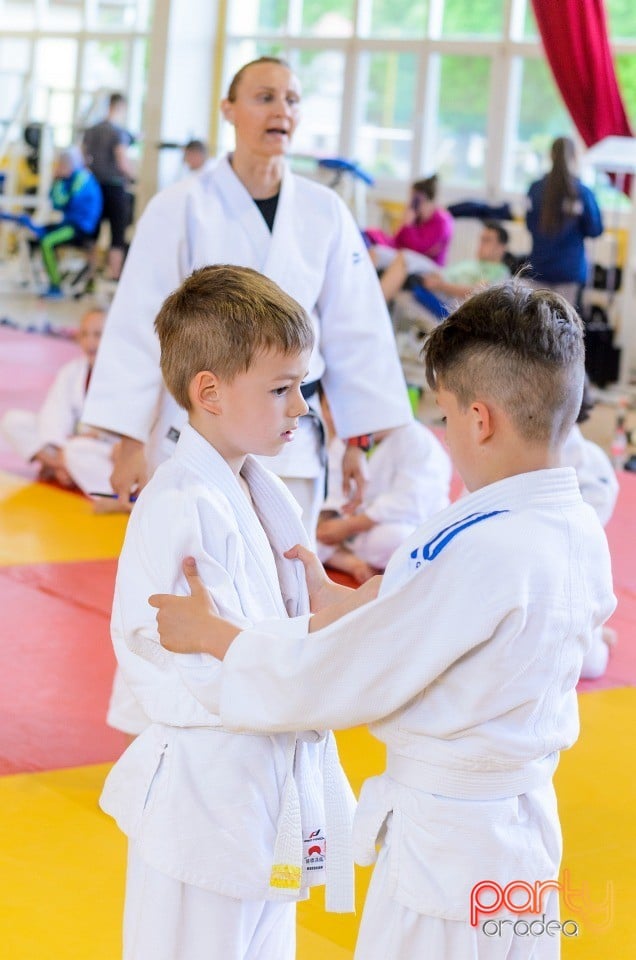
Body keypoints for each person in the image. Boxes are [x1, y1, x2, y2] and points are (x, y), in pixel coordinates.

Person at [151, 281, 616, 959]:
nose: (448, 433)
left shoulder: (485, 545)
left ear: (480, 419)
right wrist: (337, 605)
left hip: (449, 859)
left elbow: (342, 678)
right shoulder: (570, 522)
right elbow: (436, 633)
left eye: (448, 417)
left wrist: (214, 636)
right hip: (519, 849)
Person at [99, 265, 360, 960]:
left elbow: (255, 640)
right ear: (208, 393)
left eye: (302, 386)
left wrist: (322, 618)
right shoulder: (184, 504)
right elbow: (202, 666)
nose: (301, 407)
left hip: (261, 791)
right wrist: (318, 642)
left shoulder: (258, 487)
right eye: (281, 389)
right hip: (203, 800)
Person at [81, 57, 412, 540]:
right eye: (265, 97)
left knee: (290, 584)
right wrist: (129, 437)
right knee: (195, 578)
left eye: (292, 100)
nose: (281, 109)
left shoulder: (326, 212)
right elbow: (138, 324)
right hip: (197, 434)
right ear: (229, 109)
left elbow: (356, 330)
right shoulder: (179, 206)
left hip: (291, 435)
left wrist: (359, 441)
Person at [0, 306, 120, 497]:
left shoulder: (122, 375)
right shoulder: (71, 371)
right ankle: (65, 469)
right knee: (14, 421)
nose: (90, 342)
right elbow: (54, 413)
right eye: (85, 334)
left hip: (102, 449)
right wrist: (60, 451)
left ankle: (104, 489)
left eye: (98, 334)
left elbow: (123, 428)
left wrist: (93, 437)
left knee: (79, 450)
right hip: (68, 446)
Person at [317, 416, 451, 583]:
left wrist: (349, 526)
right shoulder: (344, 439)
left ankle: (341, 556)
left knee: (397, 539)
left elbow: (409, 502)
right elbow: (331, 491)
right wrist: (330, 521)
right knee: (303, 532)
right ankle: (349, 562)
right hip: (349, 528)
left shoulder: (416, 439)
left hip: (402, 524)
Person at [562, 377, 619, 679]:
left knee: (589, 665)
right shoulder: (510, 448)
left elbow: (590, 526)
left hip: (572, 566)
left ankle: (597, 637)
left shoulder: (591, 463)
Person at [526, 136, 603, 306]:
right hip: (569, 270)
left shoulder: (535, 189)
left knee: (536, 323)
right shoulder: (582, 193)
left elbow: (530, 225)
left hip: (540, 267)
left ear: (551, 155)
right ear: (575, 157)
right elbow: (595, 229)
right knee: (565, 325)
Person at [381, 219, 510, 315]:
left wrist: (440, 285)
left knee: (405, 257)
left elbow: (477, 292)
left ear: (501, 248)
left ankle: (375, 309)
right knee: (378, 252)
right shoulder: (472, 263)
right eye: (481, 239)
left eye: (487, 240)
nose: (480, 244)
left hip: (443, 293)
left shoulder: (500, 271)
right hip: (436, 277)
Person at [31, 147, 102, 299]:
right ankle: (55, 277)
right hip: (71, 223)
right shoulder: (72, 178)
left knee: (46, 242)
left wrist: (56, 180)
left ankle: (56, 286)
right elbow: (56, 204)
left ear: (67, 164)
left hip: (80, 227)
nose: (58, 168)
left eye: (60, 165)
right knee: (38, 232)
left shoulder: (81, 178)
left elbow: (62, 201)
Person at [82, 92, 136, 280]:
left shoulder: (91, 130)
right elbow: (122, 161)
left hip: (94, 188)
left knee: (92, 234)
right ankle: (115, 276)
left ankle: (90, 276)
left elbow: (84, 159)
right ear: (120, 107)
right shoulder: (117, 132)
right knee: (117, 236)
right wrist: (135, 177)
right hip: (114, 188)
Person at [365, 174, 454, 269]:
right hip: (404, 254)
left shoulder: (441, 221)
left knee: (378, 253)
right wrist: (404, 223)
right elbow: (397, 240)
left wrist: (408, 226)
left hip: (429, 264)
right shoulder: (417, 216)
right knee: (370, 241)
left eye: (413, 198)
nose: (410, 201)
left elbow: (418, 249)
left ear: (421, 199)